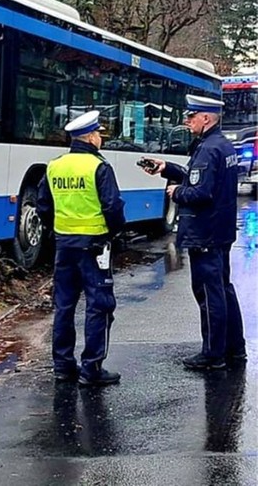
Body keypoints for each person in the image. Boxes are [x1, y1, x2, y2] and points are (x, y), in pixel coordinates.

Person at [140, 94, 245, 370]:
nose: (187, 122)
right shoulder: (221, 145)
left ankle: (213, 355)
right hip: (219, 230)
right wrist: (167, 169)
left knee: (209, 293)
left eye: (191, 117)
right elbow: (196, 175)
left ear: (206, 118)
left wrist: (177, 192)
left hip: (205, 231)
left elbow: (200, 191)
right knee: (224, 289)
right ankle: (235, 348)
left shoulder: (209, 149)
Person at [36, 110, 126, 386]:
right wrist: (115, 233)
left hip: (65, 245)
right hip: (95, 246)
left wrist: (59, 231)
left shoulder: (54, 166)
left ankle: (63, 366)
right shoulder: (98, 167)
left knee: (64, 305)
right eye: (99, 134)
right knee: (99, 306)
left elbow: (43, 207)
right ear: (89, 137)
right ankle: (91, 369)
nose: (101, 138)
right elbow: (112, 206)